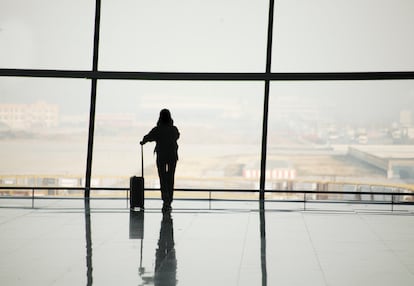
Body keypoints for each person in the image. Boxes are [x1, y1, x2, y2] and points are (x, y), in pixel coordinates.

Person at [140, 109, 180, 212]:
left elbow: (148, 137)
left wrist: (143, 141)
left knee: (162, 177)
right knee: (170, 177)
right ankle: (169, 200)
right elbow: (177, 136)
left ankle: (165, 200)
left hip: (161, 155)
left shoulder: (157, 129)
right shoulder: (173, 129)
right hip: (172, 156)